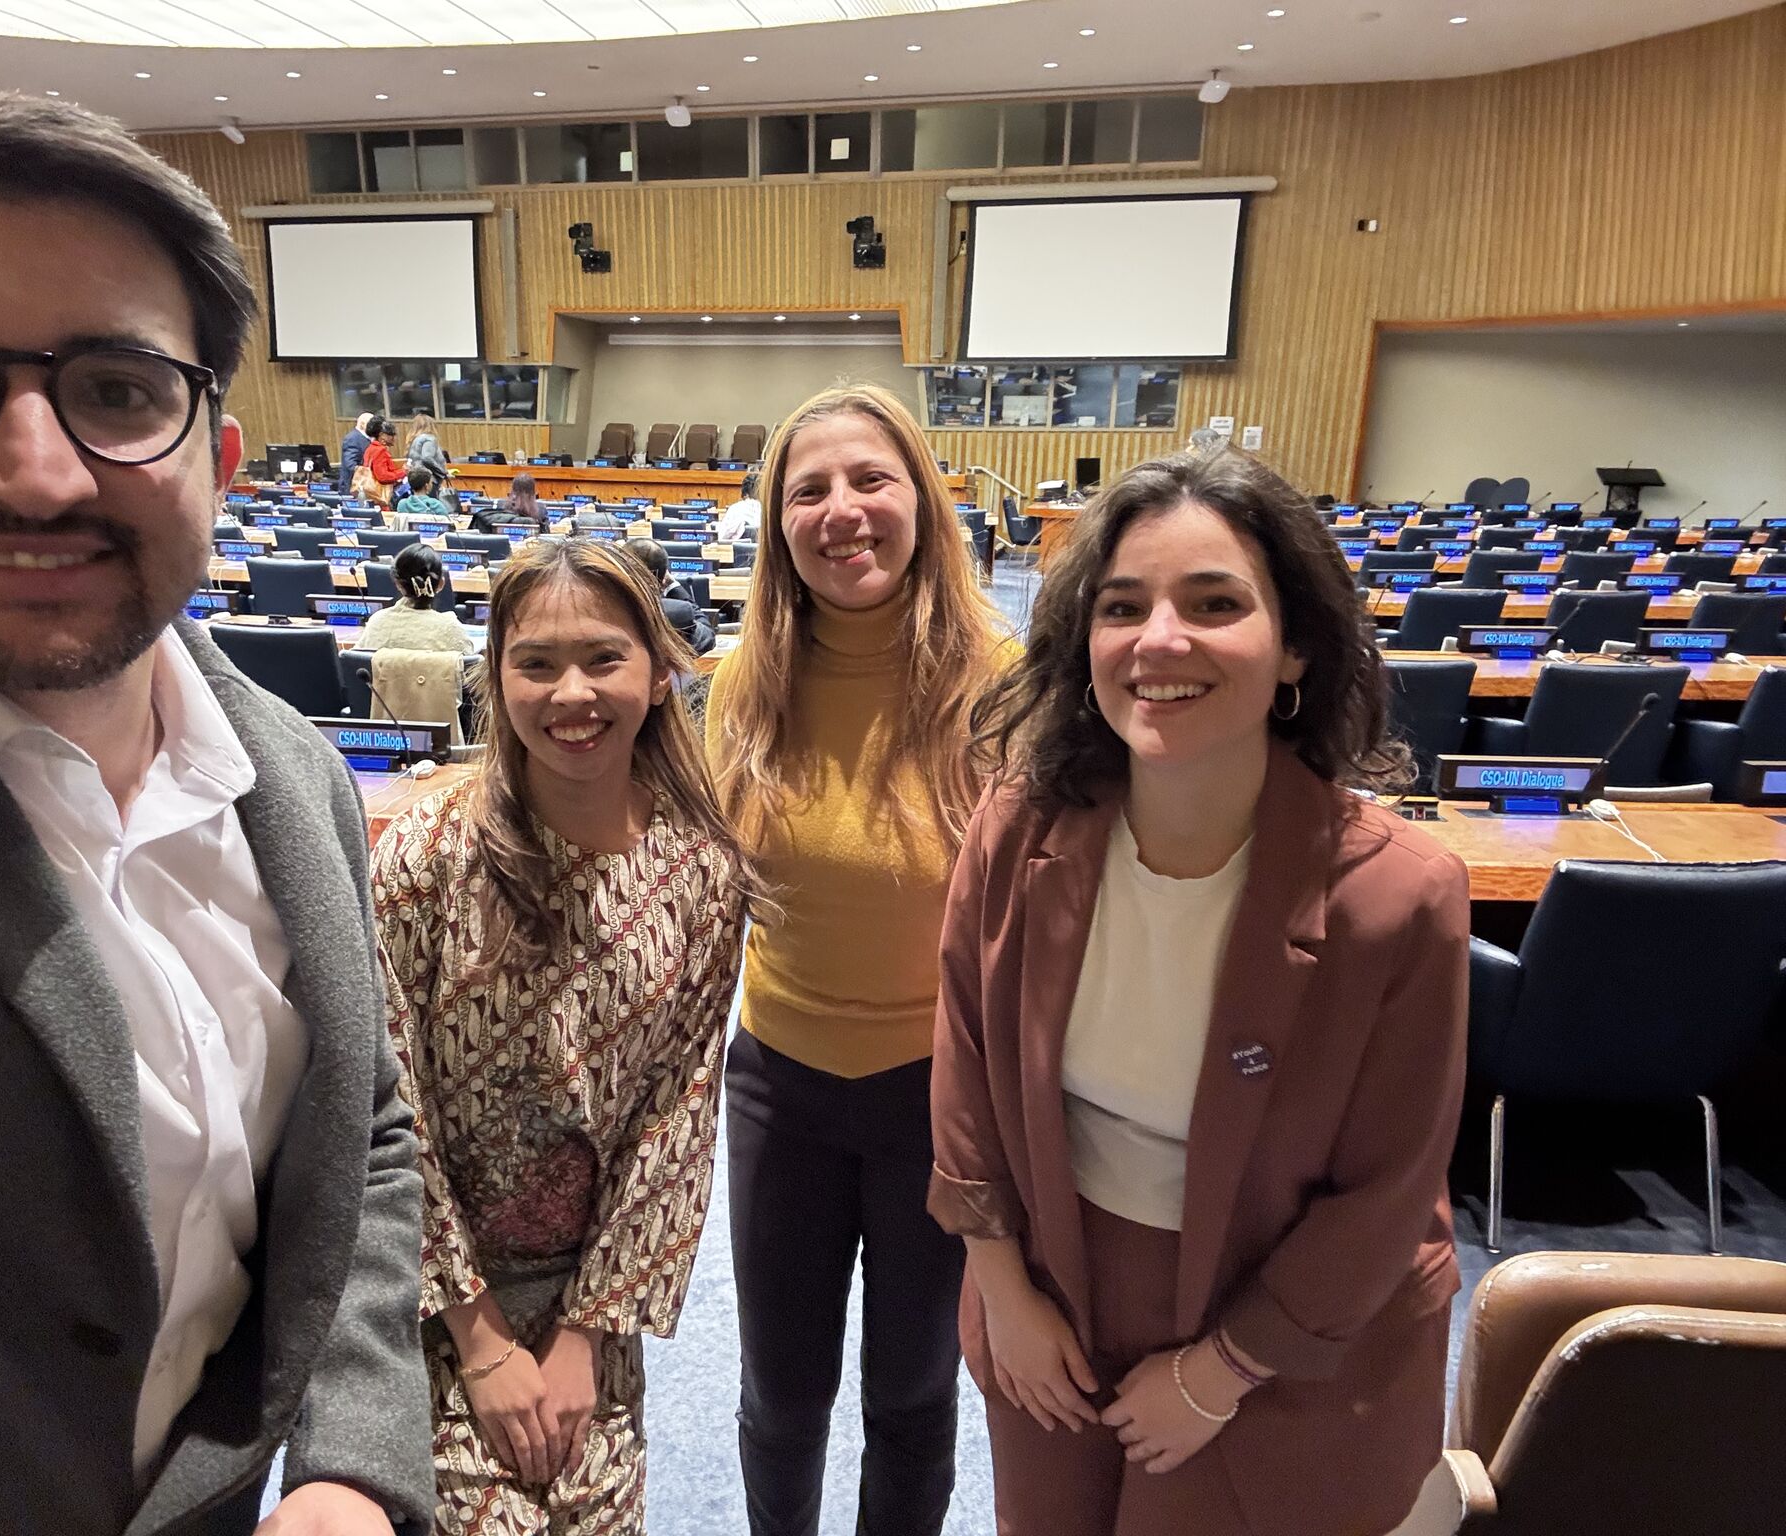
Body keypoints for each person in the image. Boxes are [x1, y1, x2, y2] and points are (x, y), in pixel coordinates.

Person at [0, 92, 430, 1534]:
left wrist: (356, 1464)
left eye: (117, 389)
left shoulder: (292, 773)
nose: (37, 471)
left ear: (218, 463)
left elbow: (356, 1123)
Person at [932, 447, 1469, 1535]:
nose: (1160, 640)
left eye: (1213, 603)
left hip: (1280, 1320)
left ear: (1293, 651)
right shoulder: (1016, 827)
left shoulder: (1398, 896)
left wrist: (1218, 1372)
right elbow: (966, 1071)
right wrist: (1003, 1289)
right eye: (1122, 607)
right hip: (1055, 1288)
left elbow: (1384, 1197)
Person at [373, 536, 761, 1532]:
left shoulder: (701, 876)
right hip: (428, 1300)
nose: (569, 694)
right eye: (534, 665)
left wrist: (586, 1337)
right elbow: (382, 1103)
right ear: (495, 679)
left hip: (593, 1301)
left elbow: (674, 1122)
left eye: (602, 658)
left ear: (659, 674)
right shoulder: (422, 857)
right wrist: (482, 1338)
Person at [704, 384, 1011, 1536]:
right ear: (777, 523)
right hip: (779, 1083)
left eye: (869, 480)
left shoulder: (1002, 684)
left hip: (939, 1097)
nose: (843, 510)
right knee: (781, 1394)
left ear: (922, 502)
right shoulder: (742, 689)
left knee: (913, 1391)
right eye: (809, 488)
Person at [358, 543, 474, 656]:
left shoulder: (376, 623)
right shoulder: (452, 630)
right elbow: (470, 669)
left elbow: (356, 662)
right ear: (441, 584)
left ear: (398, 584)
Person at [623, 536, 715, 657]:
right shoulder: (677, 614)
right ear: (662, 579)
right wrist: (673, 585)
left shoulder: (599, 607)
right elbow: (707, 638)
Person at [354, 414, 404, 508]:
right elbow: (382, 476)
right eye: (391, 435)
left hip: (369, 494)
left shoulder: (370, 448)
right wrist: (403, 472)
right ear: (382, 435)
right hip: (379, 496)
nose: (394, 438)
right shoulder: (380, 450)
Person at [717, 472, 762, 544]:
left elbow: (721, 537)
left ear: (744, 493)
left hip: (735, 553)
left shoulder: (735, 509)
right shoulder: (772, 512)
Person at [406, 413, 449, 485]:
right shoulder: (429, 439)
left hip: (416, 478)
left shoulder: (414, 440)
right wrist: (442, 471)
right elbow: (427, 458)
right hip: (429, 479)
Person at [340, 409, 373, 489]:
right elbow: (351, 465)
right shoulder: (352, 439)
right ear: (362, 424)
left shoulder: (367, 438)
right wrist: (370, 473)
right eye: (372, 424)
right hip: (354, 486)